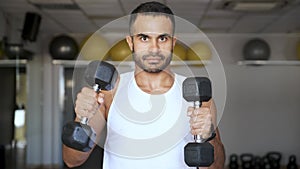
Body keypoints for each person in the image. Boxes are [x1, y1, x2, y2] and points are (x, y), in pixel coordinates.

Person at [63, 1, 225, 169]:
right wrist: (81, 118)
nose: (154, 49)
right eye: (144, 38)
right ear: (130, 42)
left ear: (173, 43)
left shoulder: (198, 98)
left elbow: (217, 167)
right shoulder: (110, 92)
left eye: (162, 38)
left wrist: (208, 136)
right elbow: (73, 160)